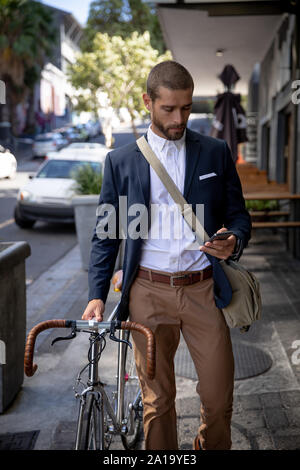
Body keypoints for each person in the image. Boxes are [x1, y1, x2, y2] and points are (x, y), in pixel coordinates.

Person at [82, 61, 252, 450]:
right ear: (148, 102)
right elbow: (107, 234)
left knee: (218, 398)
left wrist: (234, 238)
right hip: (146, 291)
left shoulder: (214, 152)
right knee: (157, 402)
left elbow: (238, 215)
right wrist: (96, 294)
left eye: (187, 108)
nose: (179, 119)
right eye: (169, 109)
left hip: (203, 290)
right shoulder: (122, 161)